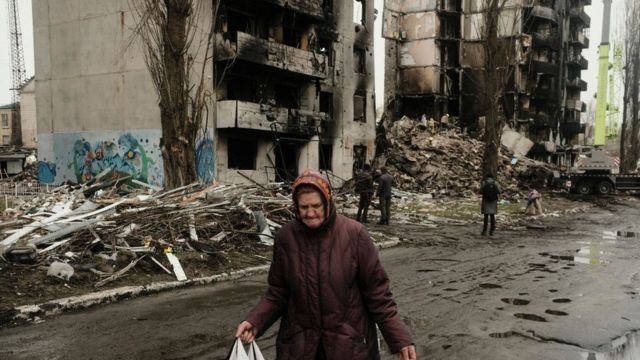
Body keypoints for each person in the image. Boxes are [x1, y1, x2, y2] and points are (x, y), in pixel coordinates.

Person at [235, 170, 416, 360]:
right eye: (304, 207)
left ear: (328, 202)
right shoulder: (286, 238)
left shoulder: (355, 235)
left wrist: (399, 338)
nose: (310, 213)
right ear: (296, 207)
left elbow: (378, 294)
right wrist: (255, 321)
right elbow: (278, 293)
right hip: (300, 348)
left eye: (316, 206)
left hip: (348, 348)